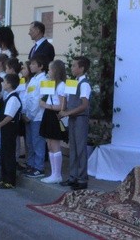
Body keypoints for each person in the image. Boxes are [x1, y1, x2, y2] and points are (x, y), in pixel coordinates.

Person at [58, 56, 91, 190]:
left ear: (81, 68)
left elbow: (84, 105)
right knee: (73, 148)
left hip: (80, 118)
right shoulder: (73, 82)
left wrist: (67, 113)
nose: (71, 68)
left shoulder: (84, 84)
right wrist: (63, 110)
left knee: (80, 148)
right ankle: (73, 176)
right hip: (72, 117)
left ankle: (82, 179)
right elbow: (67, 98)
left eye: (74, 66)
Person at [39, 59, 68, 184]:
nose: (48, 72)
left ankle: (57, 174)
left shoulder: (61, 85)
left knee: (55, 145)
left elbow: (62, 106)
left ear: (55, 71)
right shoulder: (52, 84)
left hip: (54, 115)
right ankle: (53, 173)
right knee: (50, 144)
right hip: (48, 114)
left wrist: (46, 105)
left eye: (50, 69)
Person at [0, 73, 22, 189]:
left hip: (10, 129)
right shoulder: (9, 96)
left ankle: (9, 181)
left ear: (9, 84)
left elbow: (9, 116)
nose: (3, 84)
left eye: (4, 82)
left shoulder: (14, 98)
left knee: (9, 155)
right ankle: (3, 178)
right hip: (6, 129)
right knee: (4, 154)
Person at [22, 56, 47, 179]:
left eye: (33, 64)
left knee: (38, 142)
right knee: (30, 142)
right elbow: (27, 97)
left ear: (40, 66)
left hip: (36, 116)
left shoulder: (44, 79)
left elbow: (38, 99)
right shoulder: (33, 79)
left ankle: (39, 167)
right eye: (30, 64)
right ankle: (31, 164)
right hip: (28, 116)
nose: (31, 66)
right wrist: (25, 112)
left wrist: (30, 115)